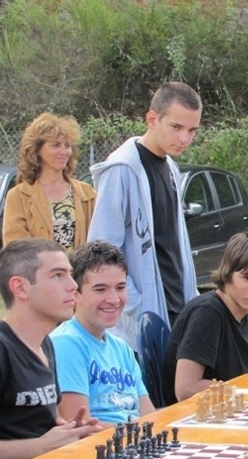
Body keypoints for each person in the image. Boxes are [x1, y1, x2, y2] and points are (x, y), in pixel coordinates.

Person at [87, 81, 202, 353]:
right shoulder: (122, 169)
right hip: (140, 321)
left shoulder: (171, 169)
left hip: (176, 307)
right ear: (152, 119)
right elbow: (101, 250)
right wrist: (136, 305)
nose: (184, 138)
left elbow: (173, 244)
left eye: (192, 130)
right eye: (176, 127)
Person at [0, 238, 102, 459]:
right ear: (20, 287)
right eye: (58, 275)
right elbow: (40, 443)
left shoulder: (45, 344)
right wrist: (41, 446)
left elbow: (43, 421)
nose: (73, 285)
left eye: (70, 274)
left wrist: (72, 430)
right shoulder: (0, 349)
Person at [163, 231, 248, 405]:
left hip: (232, 409)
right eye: (247, 278)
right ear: (228, 273)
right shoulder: (207, 313)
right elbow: (185, 389)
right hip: (194, 418)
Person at [50, 241, 156, 427]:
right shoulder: (65, 344)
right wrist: (142, 431)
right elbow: (79, 428)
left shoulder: (122, 347)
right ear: (76, 294)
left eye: (121, 287)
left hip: (134, 443)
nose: (114, 299)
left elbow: (149, 415)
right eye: (100, 289)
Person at [3, 113, 96, 252]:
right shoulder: (18, 196)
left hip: (79, 272)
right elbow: (16, 250)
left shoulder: (87, 193)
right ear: (37, 150)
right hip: (36, 273)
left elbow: (98, 241)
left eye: (67, 145)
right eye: (55, 145)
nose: (63, 151)